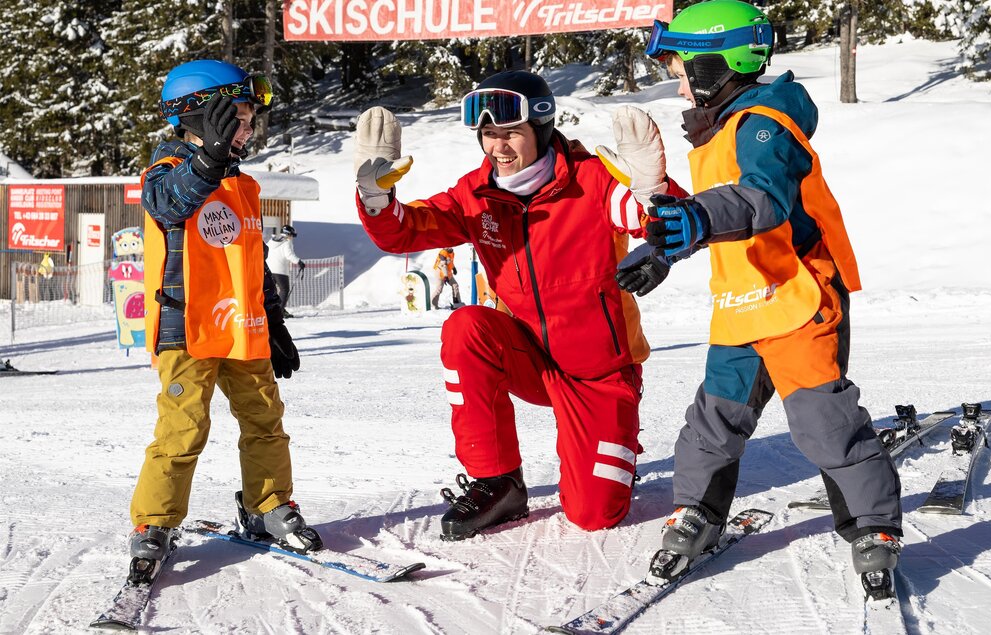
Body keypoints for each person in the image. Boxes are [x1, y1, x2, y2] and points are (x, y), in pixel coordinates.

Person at [619, 0, 904, 595]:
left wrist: (697, 217)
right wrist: (661, 248)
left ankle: (872, 523)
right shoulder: (719, 128)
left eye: (679, 67)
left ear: (713, 66)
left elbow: (761, 199)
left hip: (798, 295)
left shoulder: (763, 125)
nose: (675, 81)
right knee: (714, 419)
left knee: (823, 422)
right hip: (742, 300)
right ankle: (698, 507)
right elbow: (710, 219)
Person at [354, 70, 686, 540]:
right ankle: (498, 483)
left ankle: (611, 450)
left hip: (599, 372)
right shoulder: (477, 194)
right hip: (529, 357)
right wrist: (376, 197)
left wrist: (655, 192)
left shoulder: (590, 180)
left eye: (511, 133)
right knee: (466, 327)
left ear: (542, 129)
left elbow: (652, 221)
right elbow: (405, 229)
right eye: (488, 135)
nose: (498, 147)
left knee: (595, 514)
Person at [127, 59, 318, 576]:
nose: (248, 126)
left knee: (265, 421)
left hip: (243, 327)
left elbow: (251, 263)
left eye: (252, 116)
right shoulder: (165, 172)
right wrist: (208, 159)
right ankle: (155, 522)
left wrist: (275, 323)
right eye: (238, 115)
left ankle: (268, 506)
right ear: (200, 114)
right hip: (186, 329)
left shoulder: (245, 186)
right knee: (182, 429)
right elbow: (169, 206)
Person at [267, 224, 305, 318]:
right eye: (292, 235)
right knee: (284, 290)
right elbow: (289, 255)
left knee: (273, 291)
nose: (292, 237)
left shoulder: (272, 241)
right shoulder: (286, 242)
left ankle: (274, 309)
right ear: (288, 234)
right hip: (280, 270)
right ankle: (279, 312)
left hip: (270, 269)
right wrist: (299, 262)